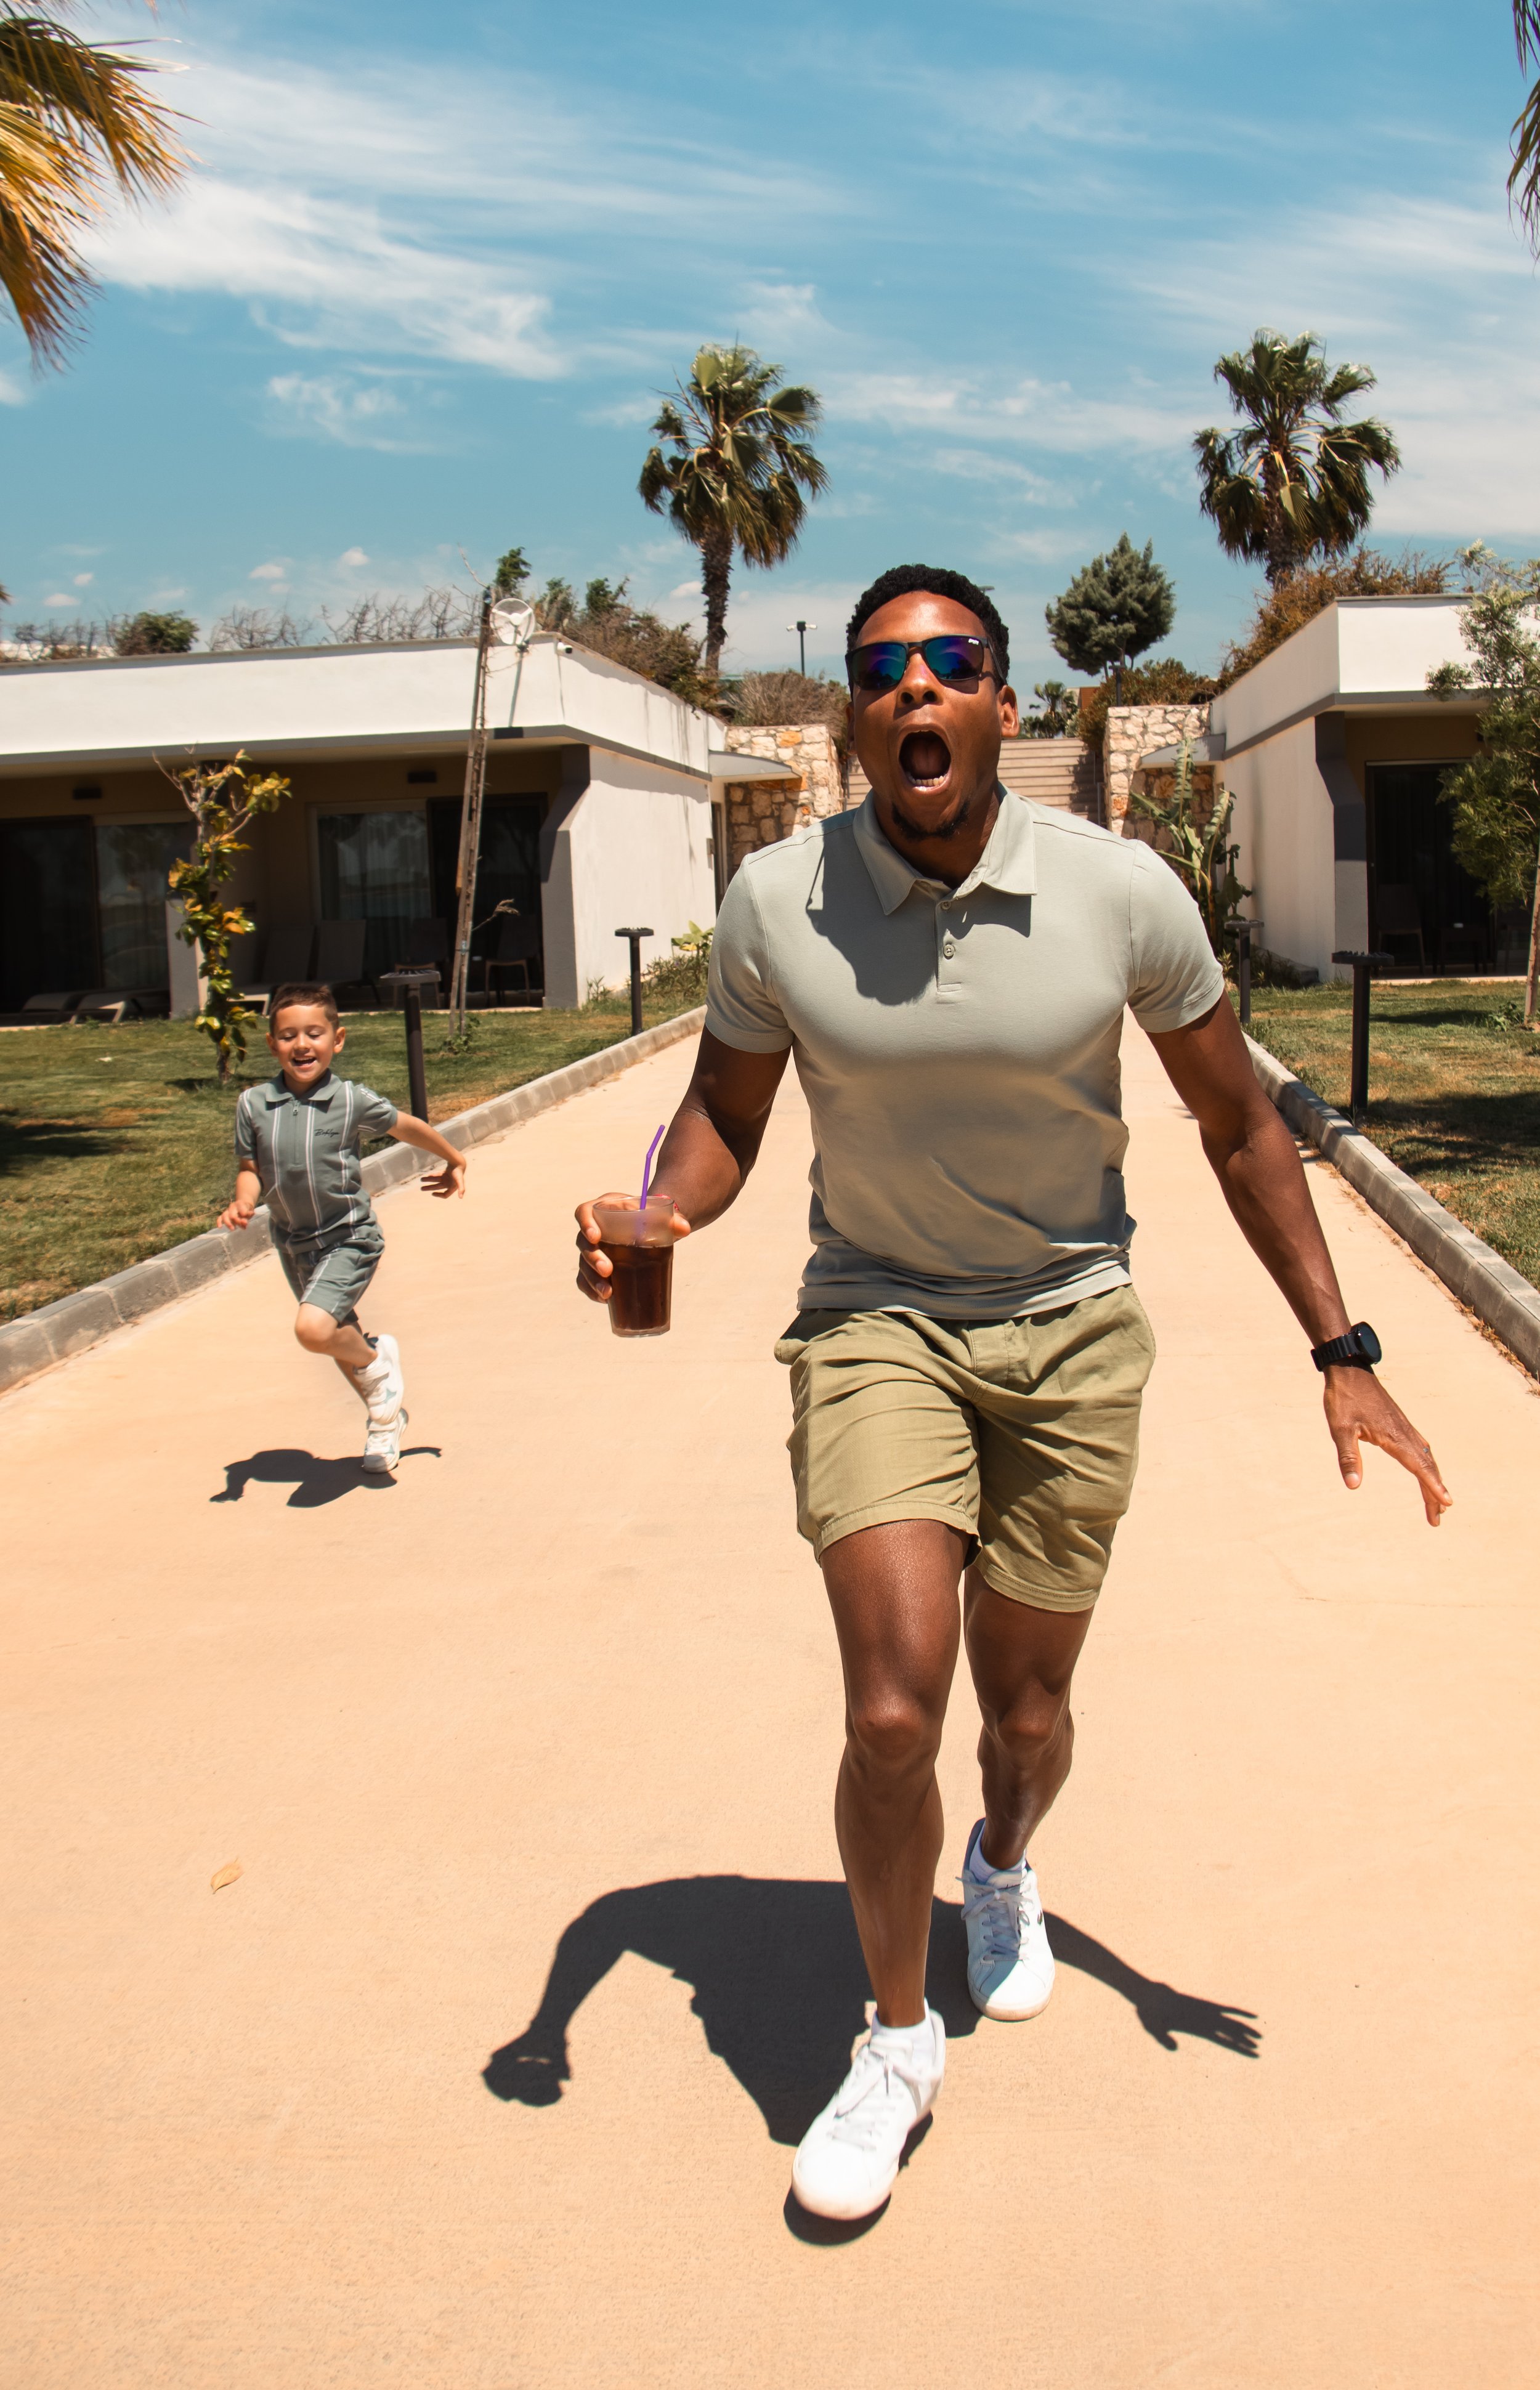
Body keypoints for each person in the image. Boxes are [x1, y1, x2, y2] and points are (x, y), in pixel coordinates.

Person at [574, 564, 1451, 2224]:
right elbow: (723, 1116)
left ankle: (1003, 1864)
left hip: (1069, 1337)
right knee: (892, 1705)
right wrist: (661, 1208)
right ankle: (894, 2039)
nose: (914, 689)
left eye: (949, 663)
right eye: (881, 668)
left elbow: (1240, 1123)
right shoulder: (777, 904)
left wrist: (1340, 1353)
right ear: (853, 715)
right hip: (873, 1323)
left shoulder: (1120, 894)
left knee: (1022, 1718)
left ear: (1001, 704)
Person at [218, 980, 468, 1473]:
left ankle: (378, 1366)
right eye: (288, 1036)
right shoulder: (253, 1105)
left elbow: (403, 1125)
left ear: (338, 1039)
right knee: (337, 1338)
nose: (302, 1045)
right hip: (294, 1243)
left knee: (315, 1329)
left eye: (314, 1033)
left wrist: (454, 1157)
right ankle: (385, 1422)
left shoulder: (350, 1099)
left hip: (349, 1236)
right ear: (272, 1045)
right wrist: (242, 1203)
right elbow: (251, 1170)